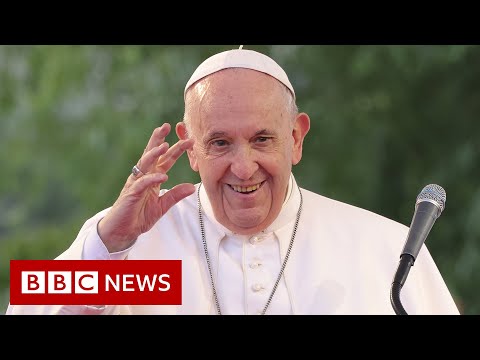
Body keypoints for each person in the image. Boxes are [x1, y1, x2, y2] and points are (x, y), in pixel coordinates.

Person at [6, 46, 460, 315]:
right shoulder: (131, 249)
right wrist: (107, 244)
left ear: (296, 138)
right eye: (220, 143)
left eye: (263, 139)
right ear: (190, 146)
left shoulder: (385, 251)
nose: (243, 168)